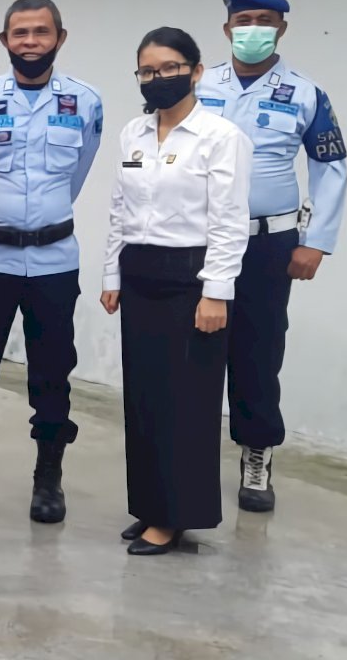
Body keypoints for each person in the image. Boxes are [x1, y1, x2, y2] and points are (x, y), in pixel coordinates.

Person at [0, 0, 103, 524]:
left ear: (60, 37)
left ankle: (48, 481)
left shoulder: (86, 103)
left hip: (55, 260)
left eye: (40, 32)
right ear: (4, 41)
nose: (30, 42)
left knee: (53, 374)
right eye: (20, 33)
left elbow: (76, 176)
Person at [195, 0, 347, 513]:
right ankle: (188, 458)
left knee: (259, 349)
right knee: (193, 348)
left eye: (263, 20)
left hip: (268, 244)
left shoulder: (306, 93)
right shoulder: (197, 82)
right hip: (199, 237)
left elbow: (330, 166)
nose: (251, 28)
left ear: (281, 28)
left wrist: (317, 242)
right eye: (243, 19)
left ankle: (256, 455)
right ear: (226, 28)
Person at [101, 27, 251, 555]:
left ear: (195, 71)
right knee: (143, 398)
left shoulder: (221, 137)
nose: (158, 78)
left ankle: (174, 515)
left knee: (184, 403)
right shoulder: (133, 135)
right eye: (147, 71)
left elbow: (230, 222)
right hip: (139, 274)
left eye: (169, 68)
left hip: (191, 280)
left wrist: (217, 292)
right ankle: (148, 505)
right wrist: (111, 274)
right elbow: (120, 209)